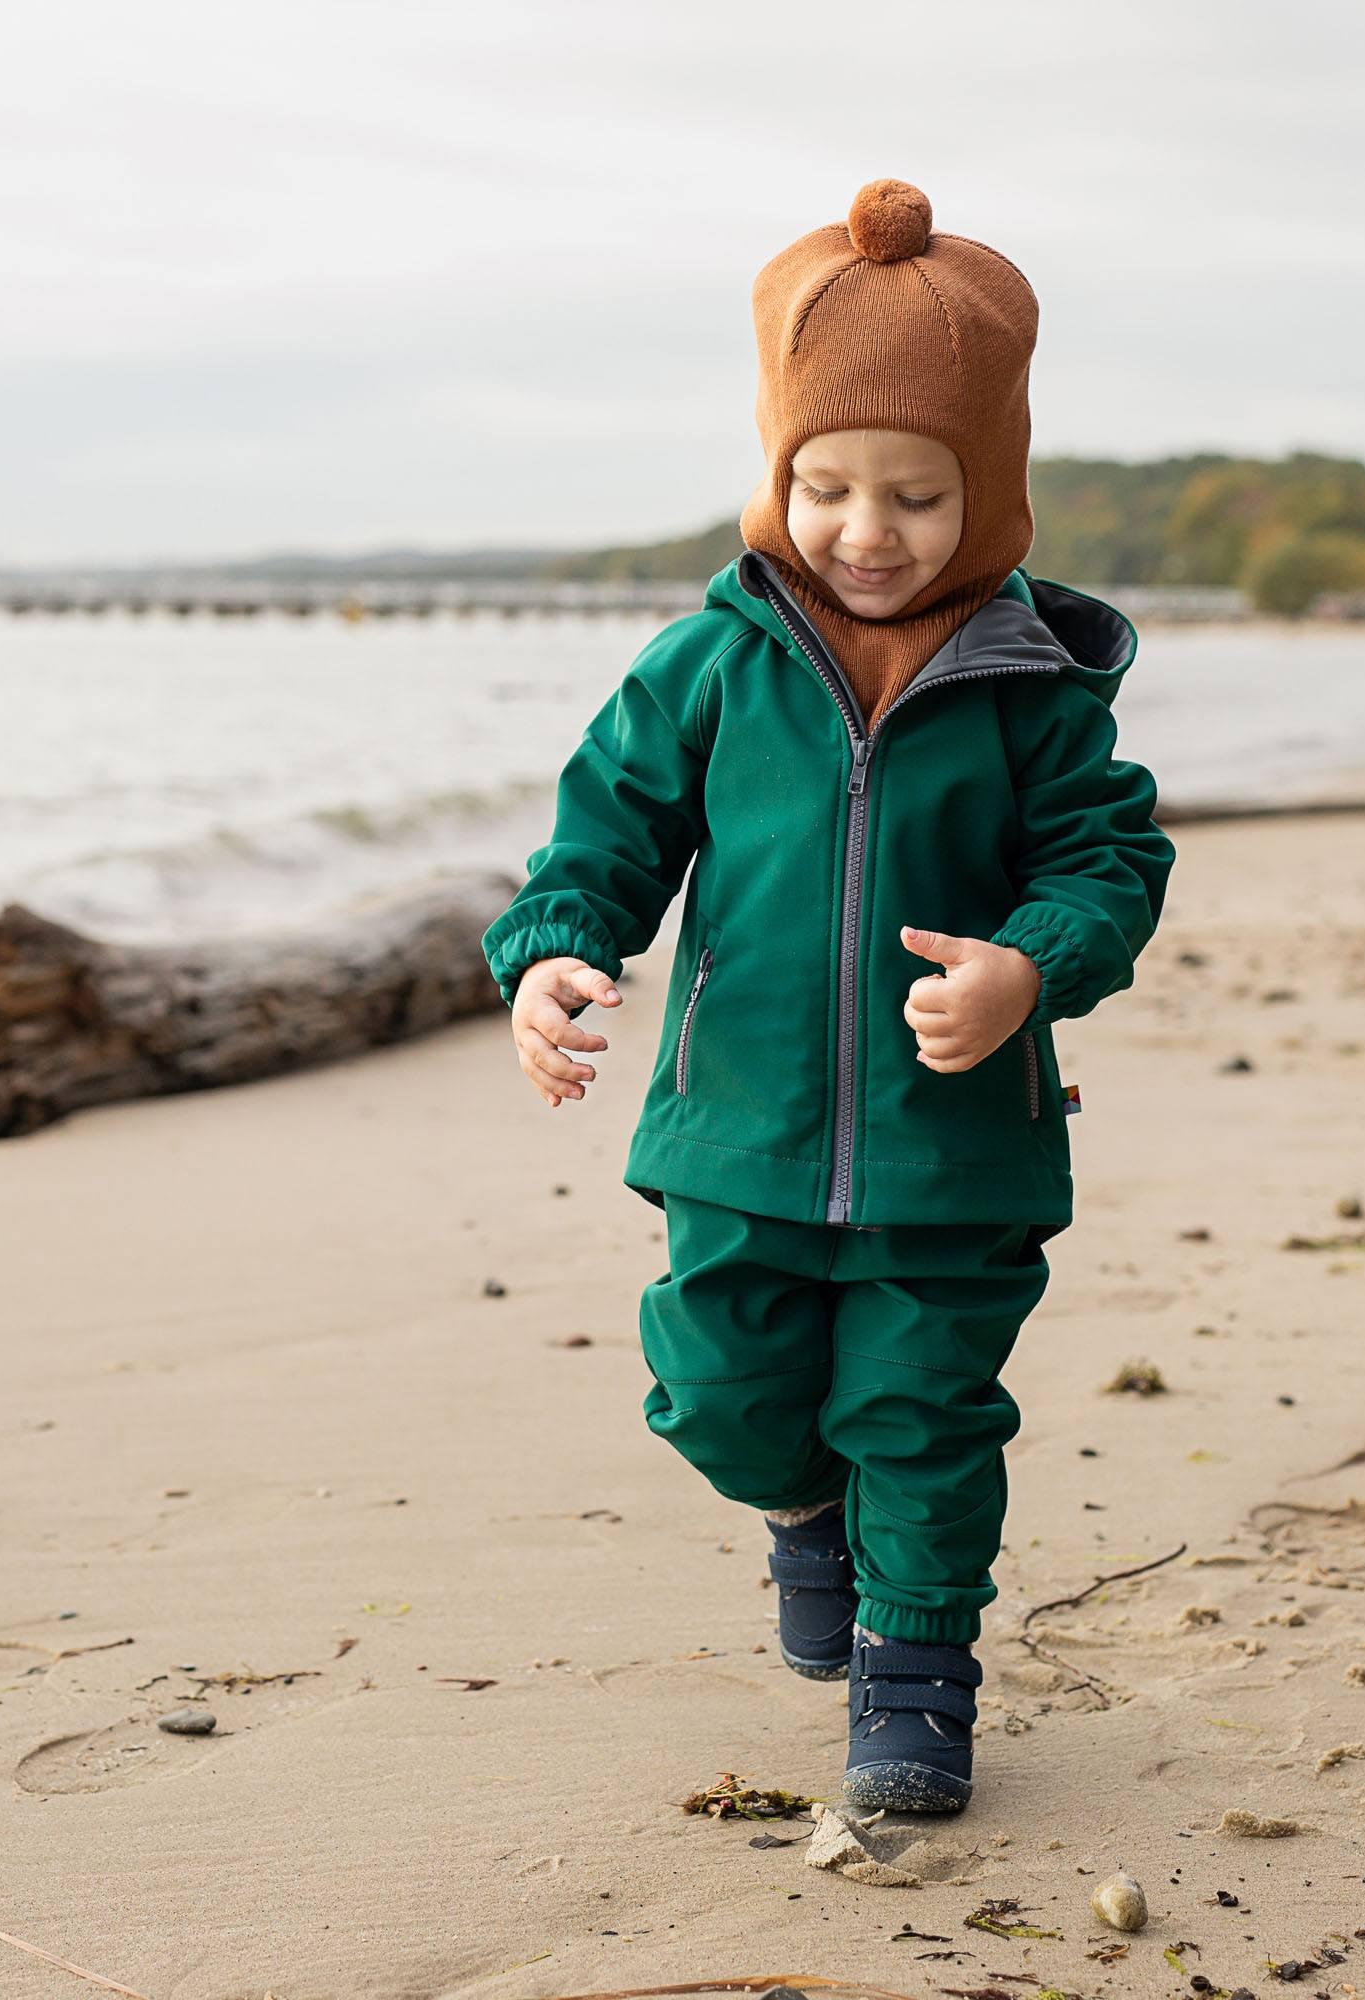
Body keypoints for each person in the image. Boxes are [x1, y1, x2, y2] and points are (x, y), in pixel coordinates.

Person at [483, 178, 1174, 1813]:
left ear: (986, 498)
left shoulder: (1033, 691)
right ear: (777, 476)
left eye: (918, 496)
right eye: (829, 485)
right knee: (718, 1394)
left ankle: (917, 1683)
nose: (868, 530)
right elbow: (607, 830)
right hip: (737, 1128)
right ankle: (802, 1511)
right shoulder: (709, 665)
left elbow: (1108, 863)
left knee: (923, 1414)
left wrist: (1031, 968)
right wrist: (553, 954)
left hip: (954, 1148)